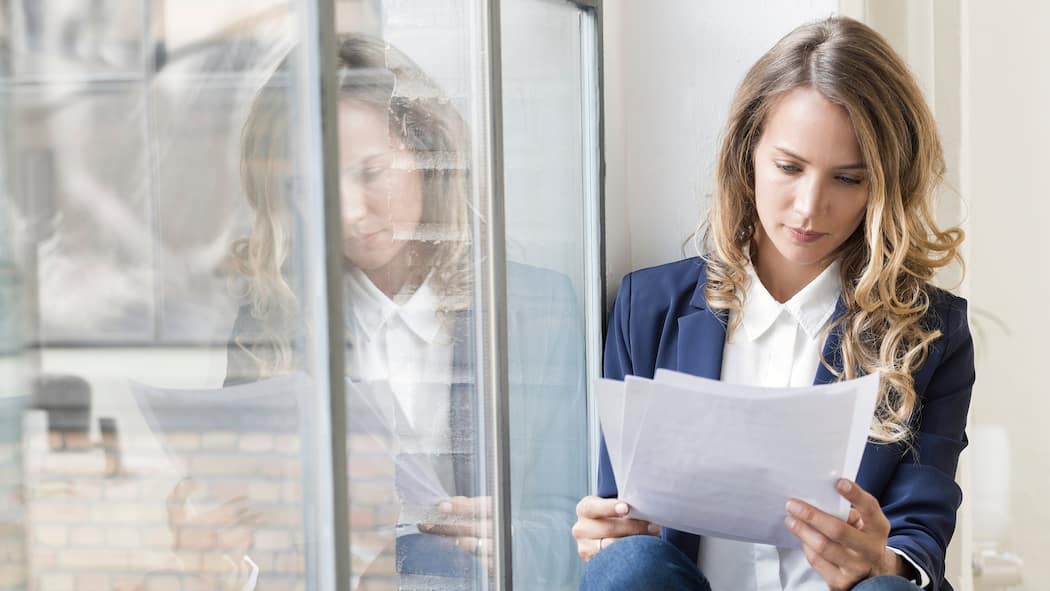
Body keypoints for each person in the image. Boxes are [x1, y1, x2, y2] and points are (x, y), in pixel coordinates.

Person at [573, 16, 973, 591]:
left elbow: (919, 538)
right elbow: (623, 513)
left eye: (848, 179)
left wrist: (881, 559)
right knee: (627, 567)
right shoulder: (648, 307)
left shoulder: (932, 334)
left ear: (883, 185)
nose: (810, 209)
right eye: (789, 167)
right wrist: (604, 536)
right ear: (747, 154)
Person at [226, 33, 585, 589]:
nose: (349, 211)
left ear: (426, 155)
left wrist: (509, 539)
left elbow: (574, 518)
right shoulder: (271, 316)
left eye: (371, 172)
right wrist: (221, 541)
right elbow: (253, 526)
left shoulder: (535, 307)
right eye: (311, 186)